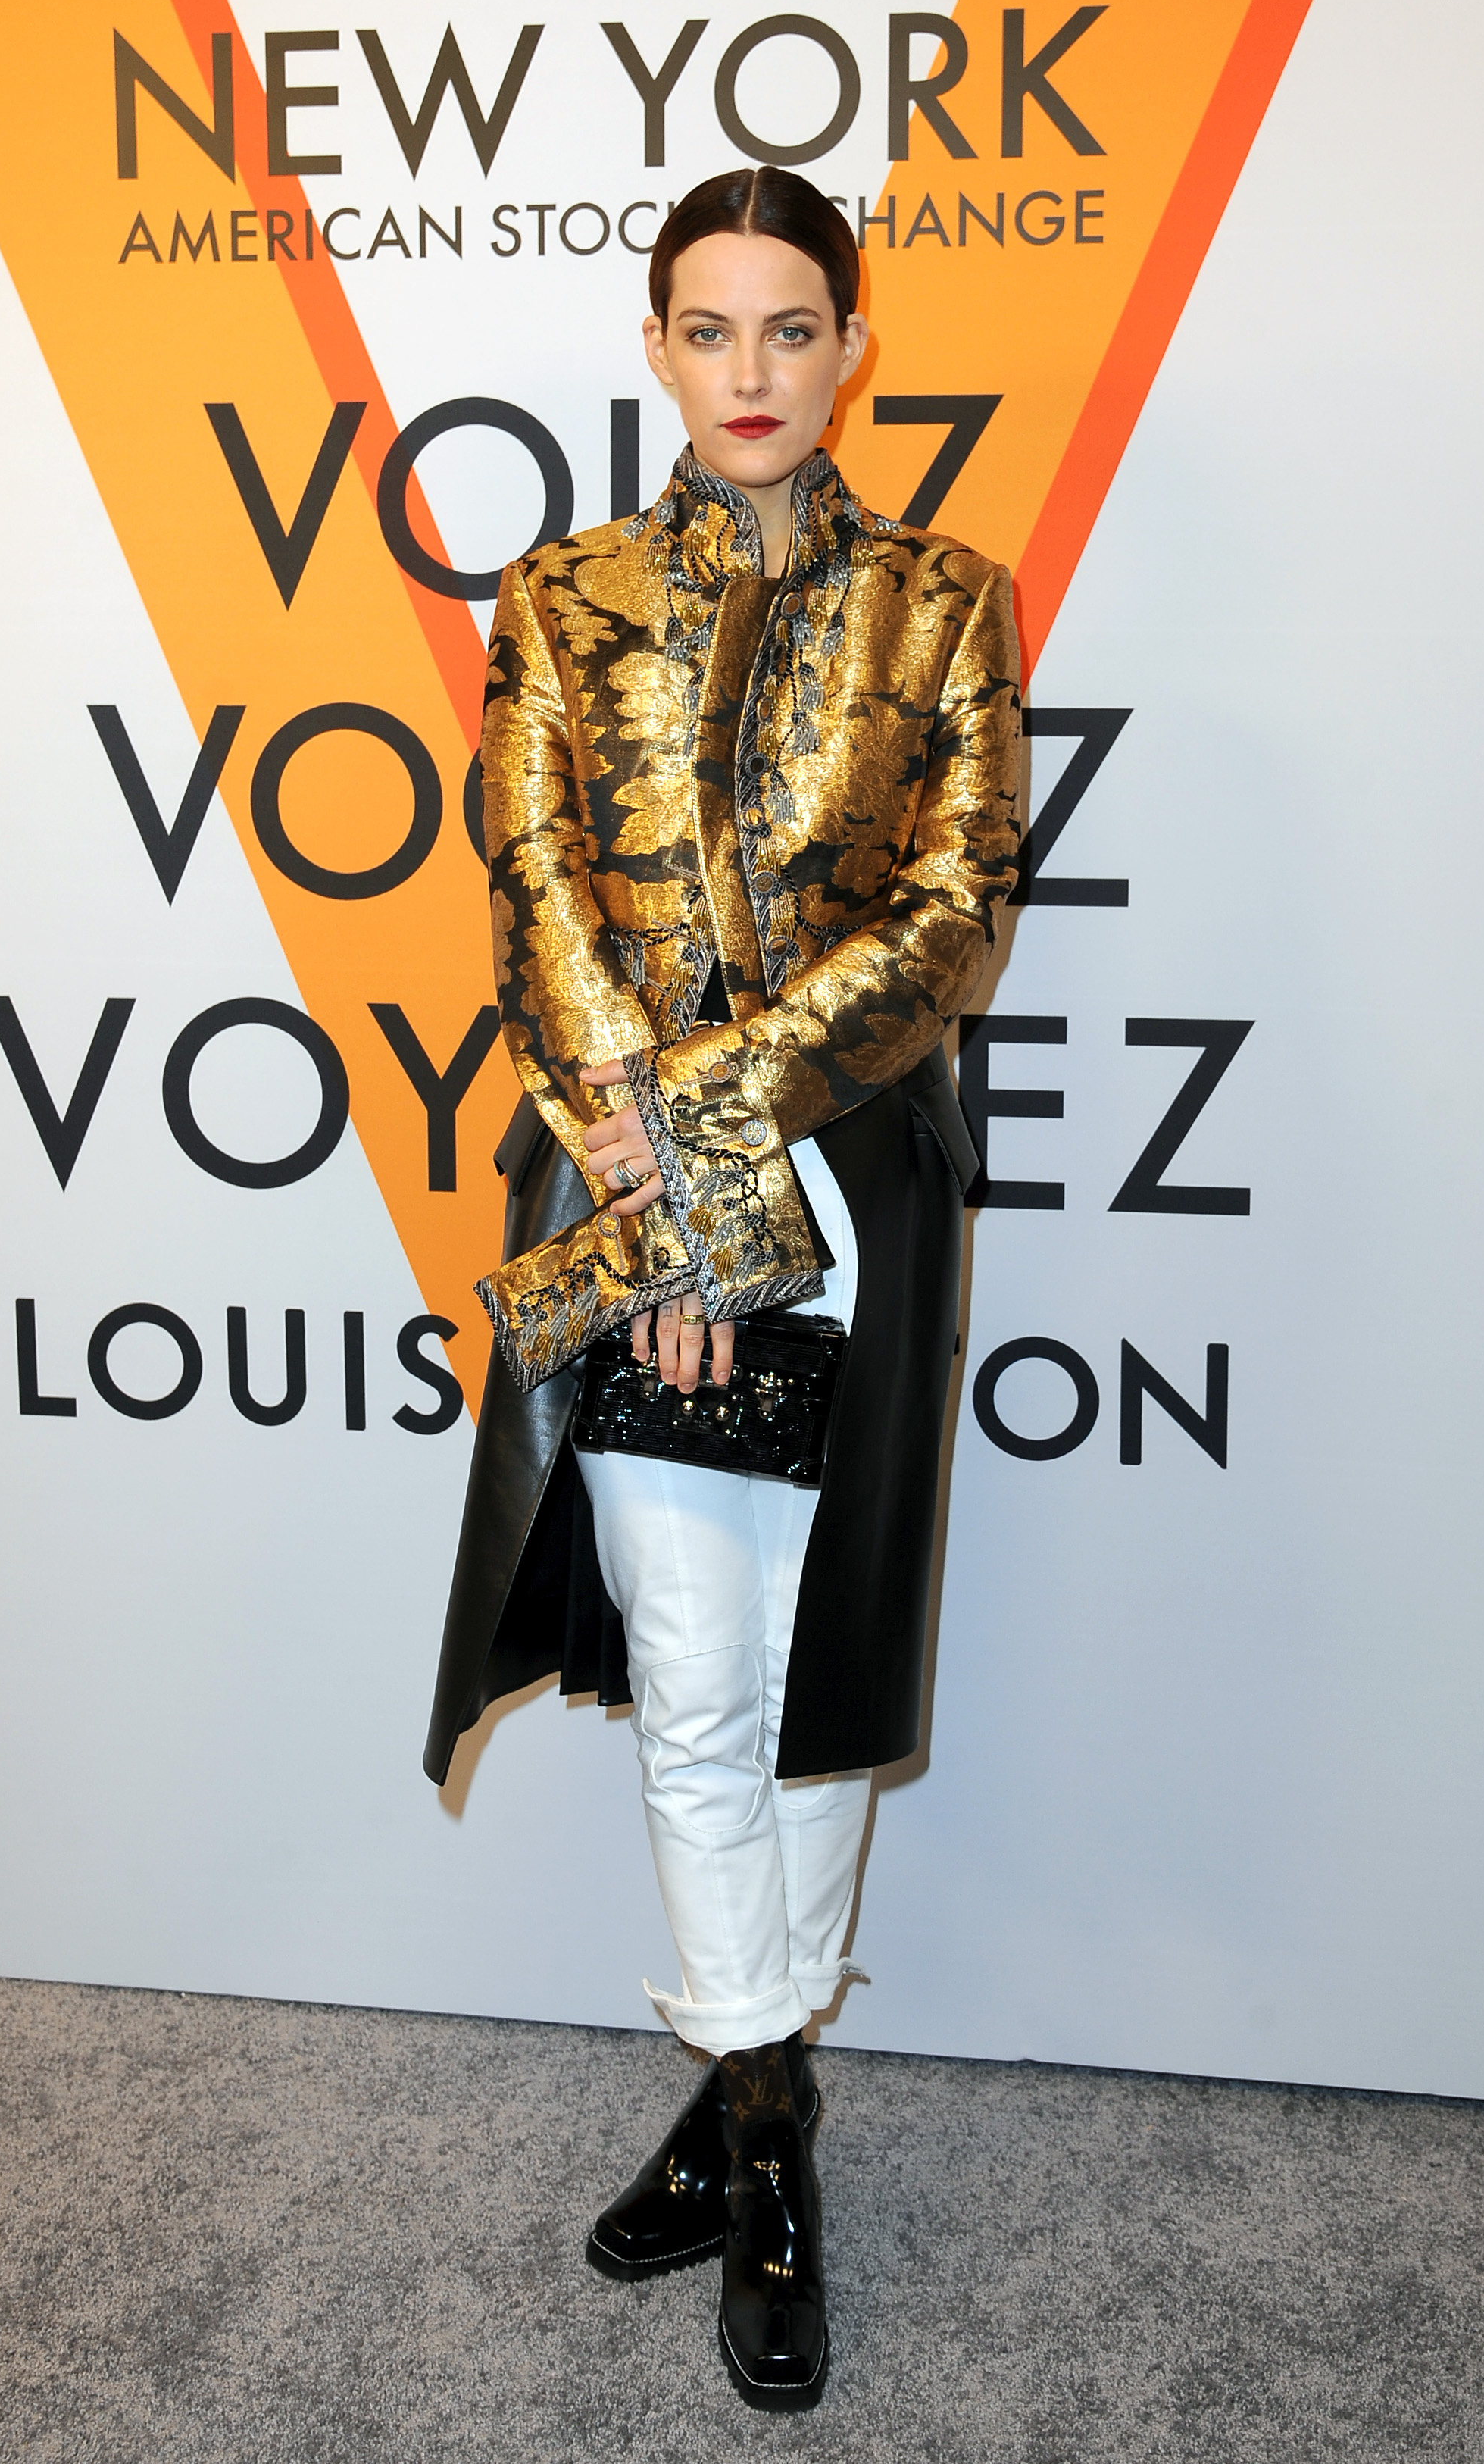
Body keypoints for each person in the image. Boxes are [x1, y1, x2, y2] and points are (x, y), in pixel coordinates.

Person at [423, 164, 1020, 2409]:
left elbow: (957, 910)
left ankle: (741, 2084)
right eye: (709, 327)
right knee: (692, 1666)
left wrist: (734, 1118)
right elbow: (533, 881)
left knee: (817, 1658)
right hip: (622, 1174)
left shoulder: (946, 602)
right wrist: (665, 1179)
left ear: (851, 349)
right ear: (658, 347)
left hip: (858, 1181)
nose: (751, 372)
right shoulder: (561, 594)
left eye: (791, 328)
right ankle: (769, 2123)